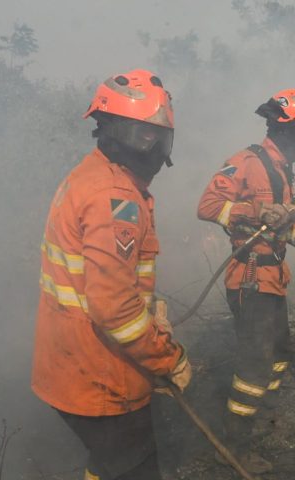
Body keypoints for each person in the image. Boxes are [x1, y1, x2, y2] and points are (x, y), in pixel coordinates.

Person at [31, 69, 191, 480]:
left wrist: (152, 311)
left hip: (76, 364)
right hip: (100, 375)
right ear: (108, 131)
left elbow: (111, 285)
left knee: (111, 464)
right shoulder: (114, 198)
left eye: (156, 136)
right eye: (140, 135)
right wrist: (167, 359)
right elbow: (114, 310)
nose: (150, 147)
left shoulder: (94, 176)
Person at [197, 89, 295, 473]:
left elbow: (286, 228)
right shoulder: (246, 162)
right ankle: (233, 446)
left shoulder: (282, 173)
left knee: (280, 356)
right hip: (250, 278)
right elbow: (208, 207)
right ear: (285, 130)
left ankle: (257, 421)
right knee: (254, 367)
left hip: (272, 278)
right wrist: (255, 209)